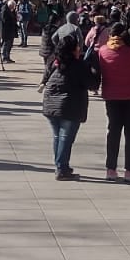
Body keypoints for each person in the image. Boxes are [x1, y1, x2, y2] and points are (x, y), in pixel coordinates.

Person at [41, 31, 99, 180]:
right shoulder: (78, 65)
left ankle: (61, 166)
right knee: (65, 138)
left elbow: (46, 77)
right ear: (73, 49)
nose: (79, 49)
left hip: (50, 103)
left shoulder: (53, 60)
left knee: (58, 136)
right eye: (77, 47)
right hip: (69, 105)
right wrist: (94, 68)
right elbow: (92, 84)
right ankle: (61, 168)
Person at [96, 22, 130, 181]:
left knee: (113, 132)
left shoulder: (103, 51)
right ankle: (129, 170)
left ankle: (110, 170)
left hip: (112, 97)